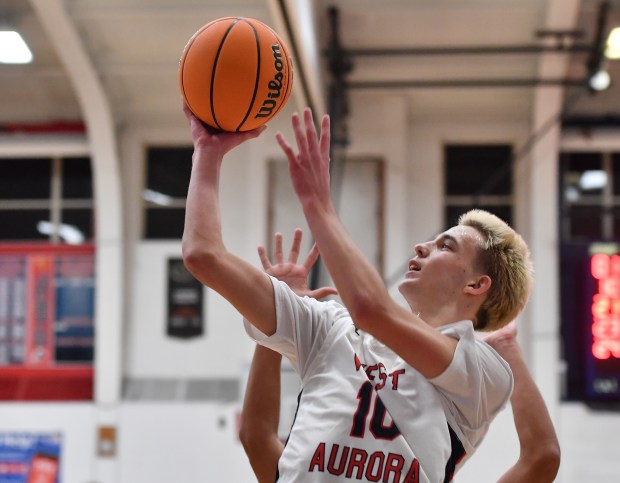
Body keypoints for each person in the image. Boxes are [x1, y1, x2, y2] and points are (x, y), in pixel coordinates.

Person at [182, 104, 533, 482]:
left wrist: (319, 207)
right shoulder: (331, 328)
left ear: (477, 285)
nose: (421, 247)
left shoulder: (482, 373)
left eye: (445, 246)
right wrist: (208, 152)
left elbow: (371, 308)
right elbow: (203, 255)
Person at [240, 233, 560, 483]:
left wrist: (278, 328)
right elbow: (255, 436)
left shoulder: (468, 374)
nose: (420, 248)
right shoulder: (350, 340)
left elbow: (256, 435)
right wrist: (280, 319)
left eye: (445, 246)